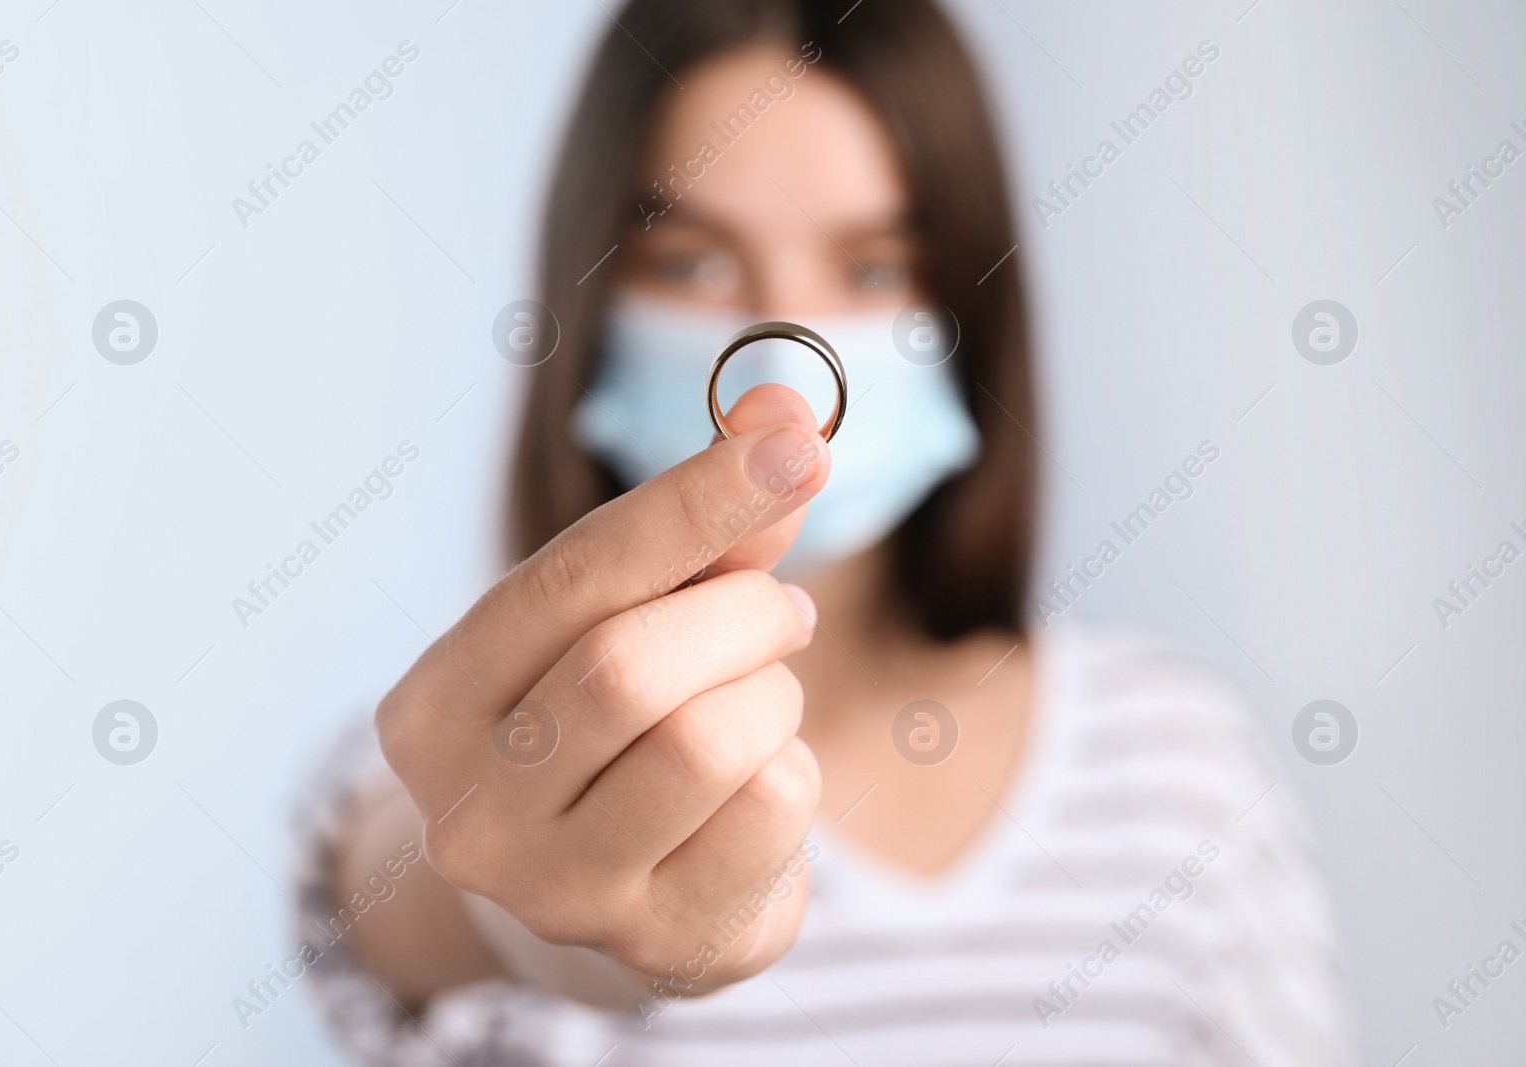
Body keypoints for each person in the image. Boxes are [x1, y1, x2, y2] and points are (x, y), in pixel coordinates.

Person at [296, 0, 1356, 1063]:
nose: (784, 360)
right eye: (695, 263)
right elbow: (415, 886)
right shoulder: (470, 743)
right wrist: (561, 915)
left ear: (970, 317)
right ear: (591, 301)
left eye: (872, 268)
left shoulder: (1176, 762)